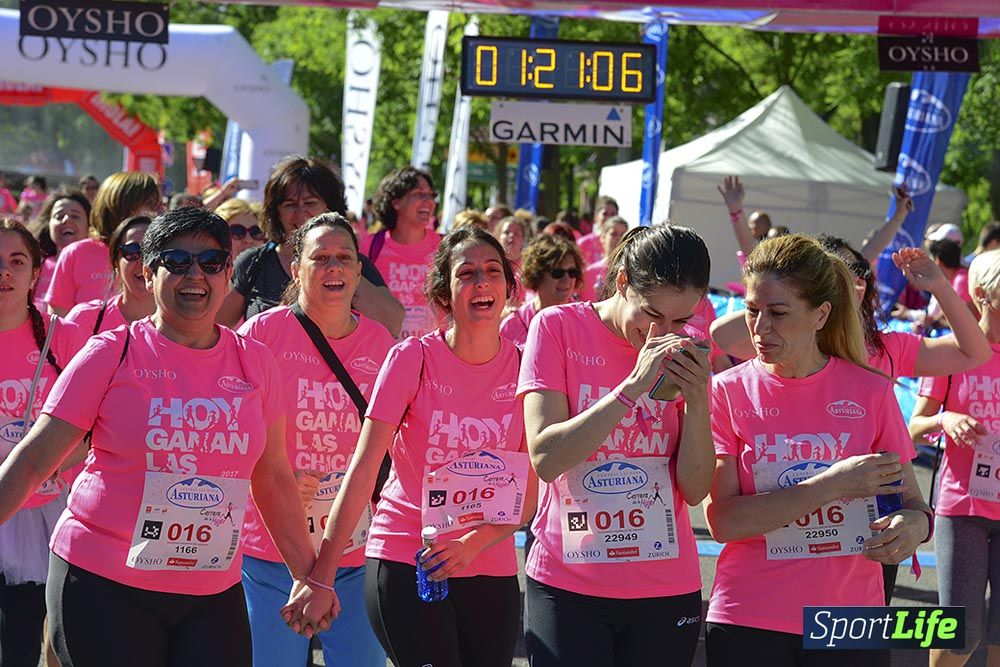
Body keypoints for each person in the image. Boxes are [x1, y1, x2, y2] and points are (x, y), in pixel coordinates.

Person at [0, 207, 324, 666]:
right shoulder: (112, 352)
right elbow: (35, 460)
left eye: (212, 262)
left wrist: (309, 576)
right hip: (103, 582)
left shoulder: (255, 362)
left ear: (229, 274)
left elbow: (271, 476)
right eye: (177, 261)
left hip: (211, 588)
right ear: (148, 274)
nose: (196, 274)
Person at [283, 227, 537, 667]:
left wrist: (472, 544)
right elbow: (362, 472)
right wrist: (321, 576)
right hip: (406, 556)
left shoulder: (524, 365)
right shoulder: (412, 358)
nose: (481, 282)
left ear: (508, 288)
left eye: (493, 272)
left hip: (487, 561)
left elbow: (527, 496)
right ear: (444, 294)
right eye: (467, 273)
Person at [704, 234, 931, 667]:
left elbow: (915, 507)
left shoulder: (871, 391)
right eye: (751, 311)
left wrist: (910, 527)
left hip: (850, 621)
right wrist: (830, 485)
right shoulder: (727, 392)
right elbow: (724, 521)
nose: (760, 327)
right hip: (750, 614)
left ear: (820, 314)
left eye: (778, 313)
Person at [519, 224, 715, 667]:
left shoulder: (690, 350)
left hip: (665, 587)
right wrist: (631, 388)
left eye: (681, 320)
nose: (661, 334)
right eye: (652, 314)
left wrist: (700, 401)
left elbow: (696, 488)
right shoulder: (557, 327)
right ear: (622, 282)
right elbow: (546, 459)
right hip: (569, 582)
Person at [238, 213, 394, 667]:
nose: (334, 267)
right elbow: (229, 436)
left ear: (358, 270)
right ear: (296, 269)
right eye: (320, 257)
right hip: (270, 553)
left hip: (354, 551)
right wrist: (275, 477)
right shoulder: (260, 336)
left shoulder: (382, 345)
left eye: (345, 257)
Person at [711, 236, 991, 382]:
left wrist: (941, 286)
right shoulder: (792, 341)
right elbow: (722, 335)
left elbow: (974, 353)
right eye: (837, 276)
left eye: (856, 273)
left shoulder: (888, 349)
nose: (850, 282)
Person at [909, 249, 1000, 667]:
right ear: (982, 295)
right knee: (958, 632)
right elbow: (914, 426)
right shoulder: (954, 353)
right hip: (962, 507)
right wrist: (946, 418)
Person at [0, 219, 85, 667]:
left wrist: (57, 462)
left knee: (24, 643)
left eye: (17, 262)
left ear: (37, 273)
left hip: (45, 512)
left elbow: (97, 426)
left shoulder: (64, 338)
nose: (5, 273)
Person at [218, 156, 403, 336]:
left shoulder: (351, 263)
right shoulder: (254, 263)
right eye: (290, 204)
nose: (301, 212)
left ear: (330, 208)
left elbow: (392, 323)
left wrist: (342, 267)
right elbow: (213, 325)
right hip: (264, 367)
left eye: (310, 203)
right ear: (276, 212)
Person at [44, 171, 161, 317]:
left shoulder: (162, 252)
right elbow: (58, 323)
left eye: (158, 204)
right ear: (120, 205)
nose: (158, 212)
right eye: (150, 204)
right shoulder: (76, 253)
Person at [363, 166, 442, 339]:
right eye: (419, 194)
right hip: (381, 355)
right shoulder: (368, 247)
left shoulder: (446, 247)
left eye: (431, 195)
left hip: (431, 357)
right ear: (395, 201)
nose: (429, 201)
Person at [65, 216, 155, 335]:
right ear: (115, 262)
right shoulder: (84, 319)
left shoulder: (184, 325)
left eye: (151, 251)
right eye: (132, 251)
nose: (143, 262)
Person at [500, 234, 583, 349]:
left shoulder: (584, 321)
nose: (567, 279)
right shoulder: (512, 324)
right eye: (557, 273)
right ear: (537, 274)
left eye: (572, 272)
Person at [30, 188, 92, 314]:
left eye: (75, 216)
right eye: (59, 216)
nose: (66, 220)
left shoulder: (101, 267)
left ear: (89, 225)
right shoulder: (32, 263)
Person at [580, 215, 627, 302]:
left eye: (623, 235)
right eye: (613, 234)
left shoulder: (632, 272)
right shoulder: (589, 272)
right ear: (602, 238)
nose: (619, 238)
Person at [577, 195, 618, 266]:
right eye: (605, 214)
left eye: (613, 214)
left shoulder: (620, 243)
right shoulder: (583, 243)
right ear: (596, 216)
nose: (609, 218)